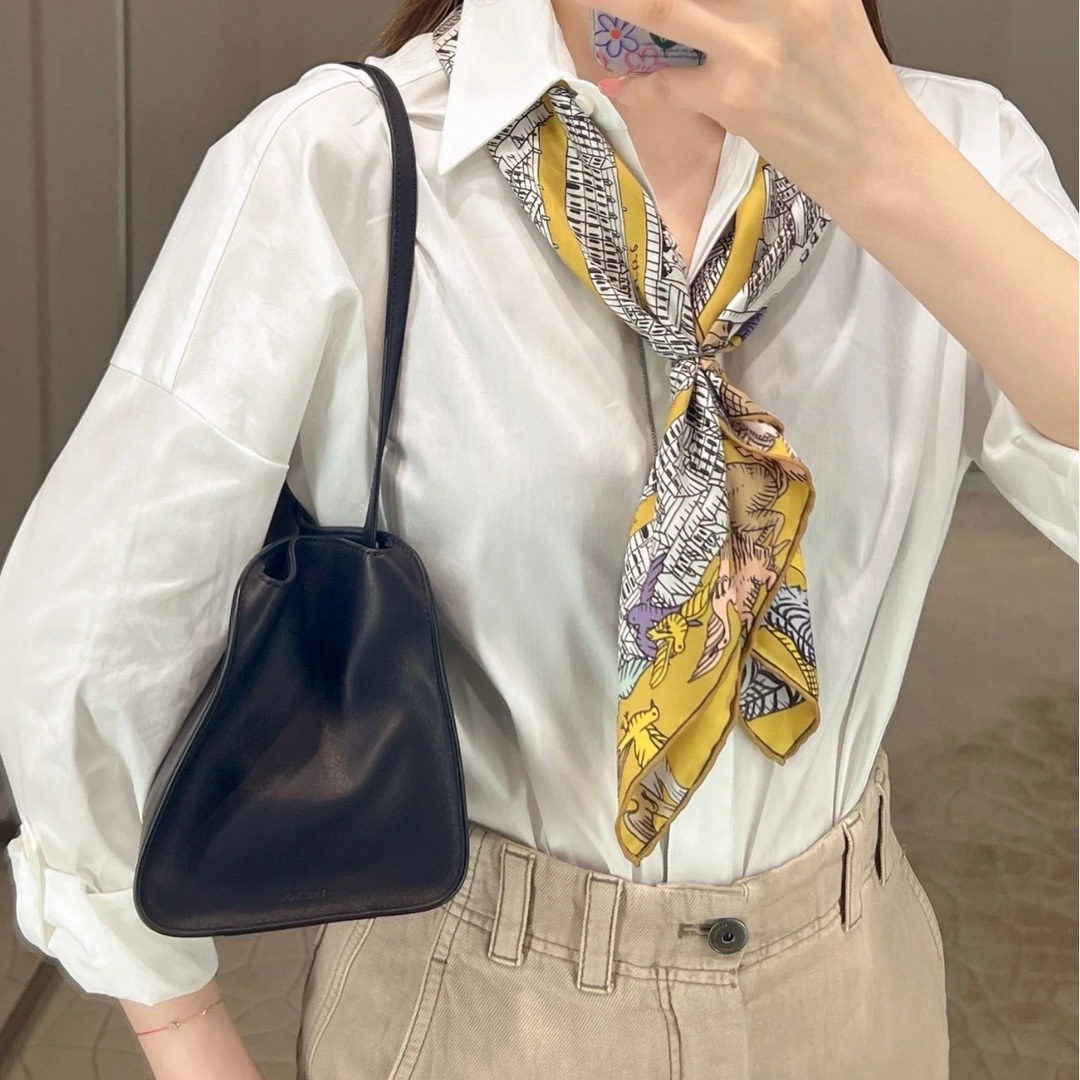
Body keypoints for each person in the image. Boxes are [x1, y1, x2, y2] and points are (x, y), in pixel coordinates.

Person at [0, 0, 1076, 1076]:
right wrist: (184, 1031)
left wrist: (888, 166)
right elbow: (96, 631)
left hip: (856, 990)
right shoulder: (343, 163)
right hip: (477, 1001)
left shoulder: (959, 154)